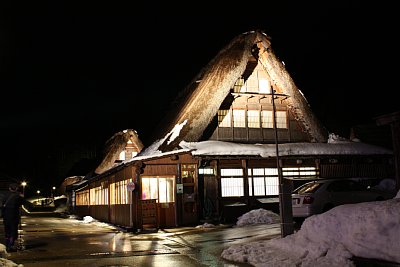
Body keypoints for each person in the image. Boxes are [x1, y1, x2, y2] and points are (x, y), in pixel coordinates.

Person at [2, 183, 24, 252]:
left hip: (6, 216)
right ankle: (10, 246)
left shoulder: (4, 195)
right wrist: (22, 197)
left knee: (7, 231)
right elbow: (22, 203)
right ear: (16, 188)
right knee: (13, 232)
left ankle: (7, 245)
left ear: (9, 188)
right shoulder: (18, 196)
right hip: (14, 216)